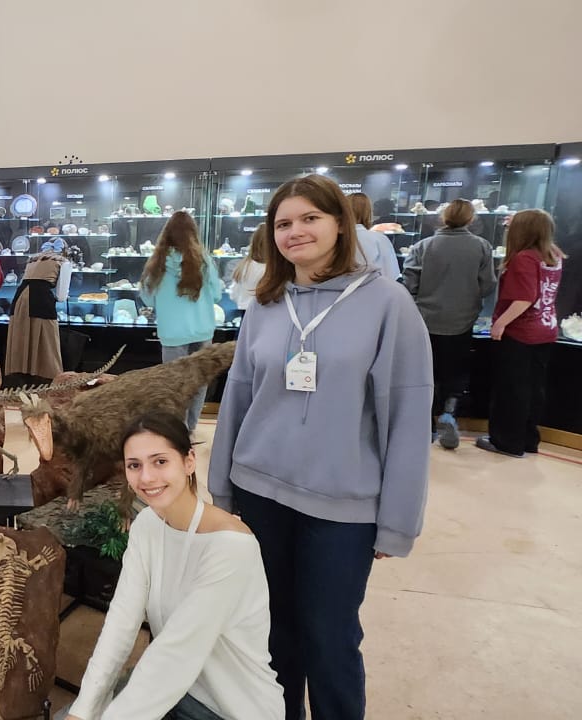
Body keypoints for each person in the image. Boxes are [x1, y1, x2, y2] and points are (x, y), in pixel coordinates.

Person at [209, 175, 432, 720]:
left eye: (310, 218)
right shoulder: (265, 304)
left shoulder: (388, 303)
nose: (295, 231)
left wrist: (397, 520)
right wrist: (222, 490)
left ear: (340, 223)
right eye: (283, 223)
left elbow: (406, 416)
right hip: (259, 493)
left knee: (330, 639)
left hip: (342, 507)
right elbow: (238, 397)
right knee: (271, 633)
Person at [66, 412, 284, 720]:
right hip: (175, 695)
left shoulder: (231, 547)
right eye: (134, 465)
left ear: (189, 461)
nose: (146, 478)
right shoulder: (147, 525)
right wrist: (83, 710)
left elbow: (177, 653)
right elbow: (121, 623)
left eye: (160, 461)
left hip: (232, 709)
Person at [402, 198, 497, 449]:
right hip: (462, 321)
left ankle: (426, 425)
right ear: (471, 219)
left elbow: (409, 284)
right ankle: (449, 410)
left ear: (442, 218)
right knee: (456, 372)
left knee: (426, 373)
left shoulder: (423, 246)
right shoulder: (482, 246)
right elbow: (488, 285)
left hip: (426, 321)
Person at [477, 209, 565, 458]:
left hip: (521, 332)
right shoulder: (554, 255)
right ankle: (528, 439)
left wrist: (500, 324)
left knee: (512, 388)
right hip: (546, 328)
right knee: (534, 387)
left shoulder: (524, 258)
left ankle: (507, 441)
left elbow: (524, 298)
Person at [138, 211, 223, 433]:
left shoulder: (157, 263)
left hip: (172, 333)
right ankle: (191, 429)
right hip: (202, 330)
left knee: (174, 386)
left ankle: (179, 429)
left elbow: (147, 297)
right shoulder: (204, 261)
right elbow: (217, 295)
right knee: (199, 380)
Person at [5, 251, 72, 382]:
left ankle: (23, 373)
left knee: (21, 337)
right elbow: (61, 296)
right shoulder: (64, 263)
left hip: (19, 300)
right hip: (41, 301)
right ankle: (49, 376)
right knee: (47, 338)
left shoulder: (32, 261)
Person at [347, 193, 401, 281]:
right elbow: (392, 274)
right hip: (373, 287)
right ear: (368, 212)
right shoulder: (379, 239)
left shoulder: (332, 238)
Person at [229, 226, 267, 314]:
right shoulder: (269, 270)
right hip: (262, 313)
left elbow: (233, 294)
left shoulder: (244, 265)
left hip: (243, 311)